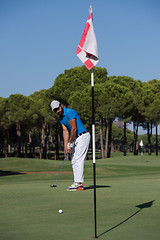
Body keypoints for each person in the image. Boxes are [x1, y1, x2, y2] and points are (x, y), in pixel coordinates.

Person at [50, 100, 90, 191]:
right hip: (76, 138)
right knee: (73, 160)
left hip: (83, 136)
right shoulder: (60, 118)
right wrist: (66, 145)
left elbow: (74, 129)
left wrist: (70, 142)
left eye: (58, 108)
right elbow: (65, 131)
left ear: (61, 105)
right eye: (55, 110)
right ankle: (77, 182)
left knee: (78, 159)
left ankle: (78, 184)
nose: (57, 111)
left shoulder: (70, 112)